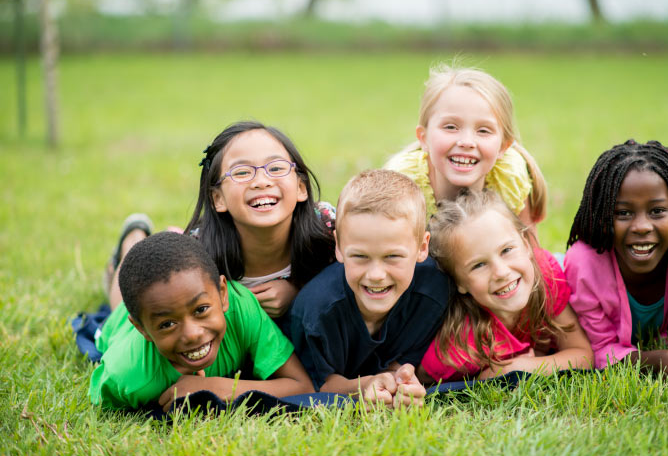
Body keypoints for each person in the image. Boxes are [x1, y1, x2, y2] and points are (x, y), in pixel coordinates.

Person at [104, 121, 336, 322]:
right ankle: (133, 240)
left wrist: (298, 290)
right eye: (242, 172)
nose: (262, 181)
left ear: (301, 187)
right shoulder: (199, 250)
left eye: (275, 168)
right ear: (218, 199)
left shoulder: (327, 225)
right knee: (126, 315)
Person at [565, 140, 668, 375]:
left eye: (657, 211)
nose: (642, 226)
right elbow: (598, 349)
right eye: (623, 213)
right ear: (602, 215)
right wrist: (650, 360)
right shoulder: (584, 267)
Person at [89, 232, 314, 410]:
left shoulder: (242, 308)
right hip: (121, 326)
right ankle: (132, 238)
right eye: (167, 324)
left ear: (223, 294)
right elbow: (98, 397)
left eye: (201, 309)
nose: (193, 334)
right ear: (142, 329)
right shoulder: (127, 375)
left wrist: (214, 387)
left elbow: (302, 386)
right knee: (117, 306)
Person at [289, 170, 451, 407]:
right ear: (339, 247)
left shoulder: (433, 292)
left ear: (422, 247)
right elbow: (320, 385)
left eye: (392, 256)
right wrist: (367, 385)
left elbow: (401, 359)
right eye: (360, 256)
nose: (376, 275)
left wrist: (402, 380)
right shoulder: (317, 311)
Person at [418, 189, 592, 383]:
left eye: (507, 250)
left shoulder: (545, 274)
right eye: (479, 265)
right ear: (459, 282)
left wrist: (515, 367)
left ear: (526, 245)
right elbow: (423, 377)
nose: (501, 272)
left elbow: (583, 356)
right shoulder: (460, 348)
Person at [384, 64, 547, 227]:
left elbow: (529, 250)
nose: (467, 142)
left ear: (503, 147)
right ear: (424, 138)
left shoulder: (509, 177)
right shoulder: (402, 186)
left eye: (483, 130)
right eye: (450, 127)